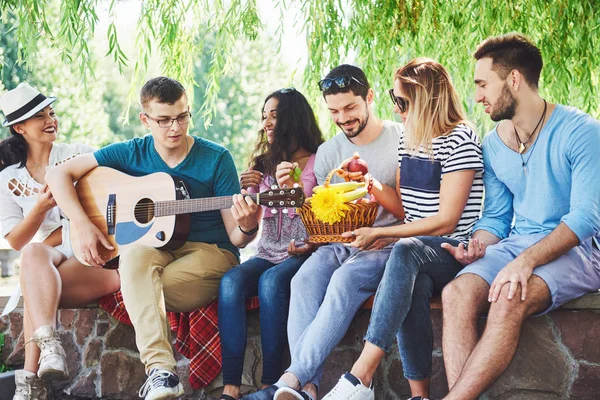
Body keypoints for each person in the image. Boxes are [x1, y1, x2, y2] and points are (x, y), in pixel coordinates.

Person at [46, 77, 261, 400]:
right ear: (145, 119)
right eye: (164, 120)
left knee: (140, 286)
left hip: (211, 252)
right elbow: (57, 174)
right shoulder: (132, 152)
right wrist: (84, 224)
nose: (175, 127)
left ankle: (161, 370)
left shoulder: (216, 158)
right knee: (133, 258)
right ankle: (162, 373)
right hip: (157, 248)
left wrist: (247, 225)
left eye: (182, 116)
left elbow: (236, 236)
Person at [440, 33, 600, 400]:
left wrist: (525, 262)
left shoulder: (583, 132)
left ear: (513, 79)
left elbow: (585, 219)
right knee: (457, 292)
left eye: (483, 84)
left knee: (509, 296)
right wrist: (476, 245)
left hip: (579, 251)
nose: (476, 96)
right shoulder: (492, 144)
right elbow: (496, 217)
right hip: (517, 245)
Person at [320, 58, 484, 400]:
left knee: (404, 250)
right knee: (412, 282)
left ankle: (360, 375)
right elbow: (406, 209)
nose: (396, 110)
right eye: (395, 101)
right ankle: (419, 395)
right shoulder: (409, 138)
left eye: (402, 102)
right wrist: (369, 185)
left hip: (453, 250)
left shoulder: (460, 139)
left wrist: (382, 234)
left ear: (426, 100)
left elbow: (446, 221)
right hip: (417, 254)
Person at [243, 64, 403, 400]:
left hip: (386, 242)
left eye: (350, 108)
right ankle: (310, 389)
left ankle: (290, 380)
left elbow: (412, 210)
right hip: (340, 244)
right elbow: (323, 214)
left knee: (344, 281)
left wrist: (370, 184)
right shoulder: (330, 151)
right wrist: (302, 209)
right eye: (334, 111)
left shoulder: (399, 139)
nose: (343, 118)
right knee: (303, 280)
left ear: (369, 97)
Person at [0, 82, 120, 400]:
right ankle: (49, 349)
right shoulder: (9, 178)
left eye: (50, 112)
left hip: (92, 254)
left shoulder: (77, 155)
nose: (50, 119)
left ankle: (29, 380)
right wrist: (39, 209)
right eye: (39, 116)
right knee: (32, 254)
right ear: (19, 127)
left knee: (33, 282)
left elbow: (111, 189)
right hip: (51, 255)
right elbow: (15, 240)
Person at [218, 87, 325, 400]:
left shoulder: (320, 161)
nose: (266, 123)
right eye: (263, 116)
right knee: (230, 282)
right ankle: (231, 387)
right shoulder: (263, 166)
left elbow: (323, 218)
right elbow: (249, 228)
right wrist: (246, 207)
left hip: (304, 252)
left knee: (271, 283)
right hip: (267, 250)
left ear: (293, 118)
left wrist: (291, 187)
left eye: (274, 116)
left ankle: (270, 384)